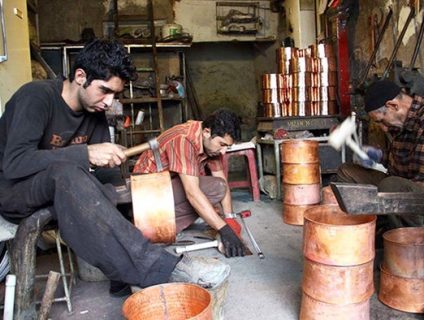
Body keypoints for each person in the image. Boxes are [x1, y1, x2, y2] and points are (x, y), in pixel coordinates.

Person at [0, 39, 230, 297]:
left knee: (112, 189)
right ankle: (159, 268)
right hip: (13, 191)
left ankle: (121, 275)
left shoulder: (95, 112)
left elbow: (106, 175)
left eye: (115, 95)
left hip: (60, 192)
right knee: (67, 173)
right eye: (104, 91)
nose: (109, 102)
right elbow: (15, 163)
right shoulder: (36, 97)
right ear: (80, 76)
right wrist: (85, 153)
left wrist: (121, 193)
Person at [133, 109, 246, 258]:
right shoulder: (184, 139)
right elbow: (192, 193)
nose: (223, 152)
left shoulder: (210, 142)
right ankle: (151, 230)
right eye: (222, 144)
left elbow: (221, 180)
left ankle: (164, 226)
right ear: (207, 132)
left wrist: (230, 218)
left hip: (164, 185)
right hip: (144, 191)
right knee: (207, 192)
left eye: (227, 147)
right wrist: (224, 229)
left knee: (217, 188)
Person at [336, 79, 424, 227]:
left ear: (393, 105)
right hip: (408, 185)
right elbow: (402, 164)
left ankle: (412, 239)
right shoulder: (403, 121)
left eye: (381, 120)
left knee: (390, 186)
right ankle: (376, 225)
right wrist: (380, 156)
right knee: (347, 172)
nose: (383, 128)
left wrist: (388, 195)